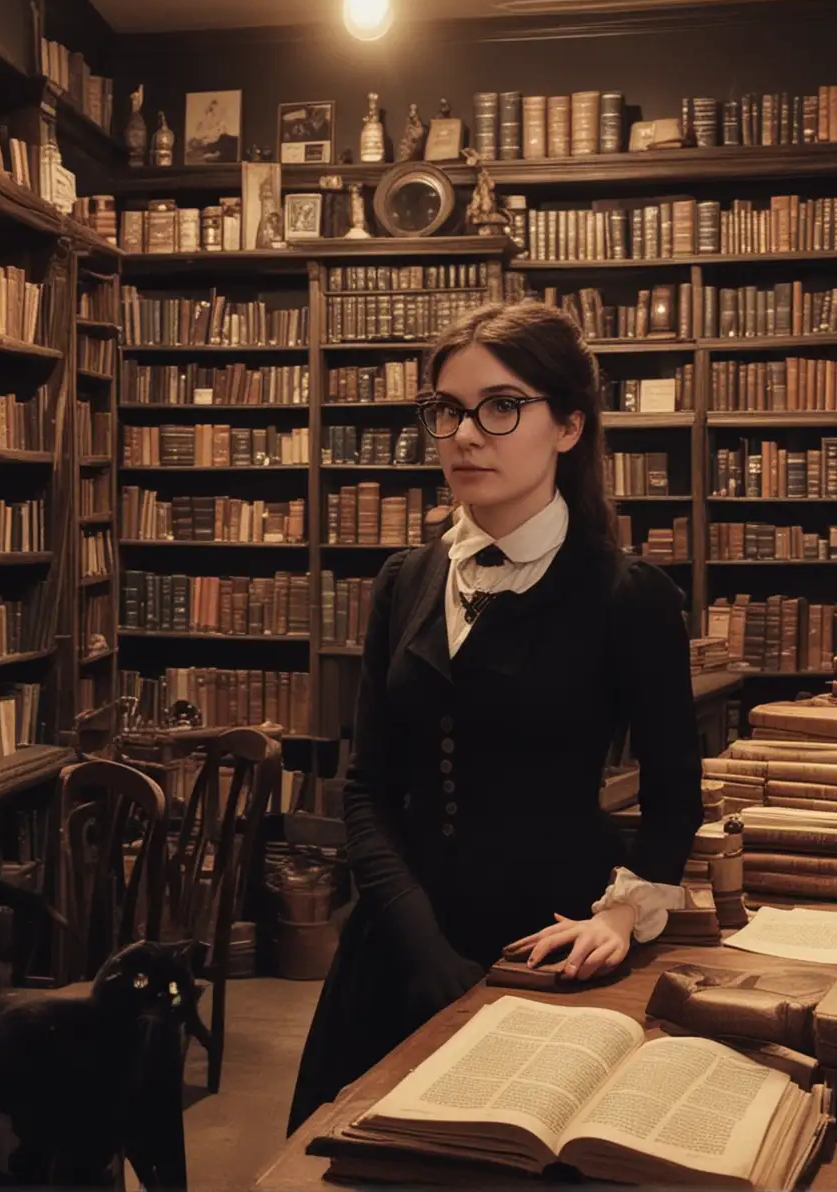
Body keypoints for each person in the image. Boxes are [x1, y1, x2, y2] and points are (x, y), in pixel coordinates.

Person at [289, 300, 703, 1131]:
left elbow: (674, 795)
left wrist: (622, 912)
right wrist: (419, 942)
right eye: (446, 410)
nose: (467, 434)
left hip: (549, 949)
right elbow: (366, 788)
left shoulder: (628, 596)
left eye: (501, 406)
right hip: (397, 950)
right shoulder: (405, 580)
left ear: (569, 426)